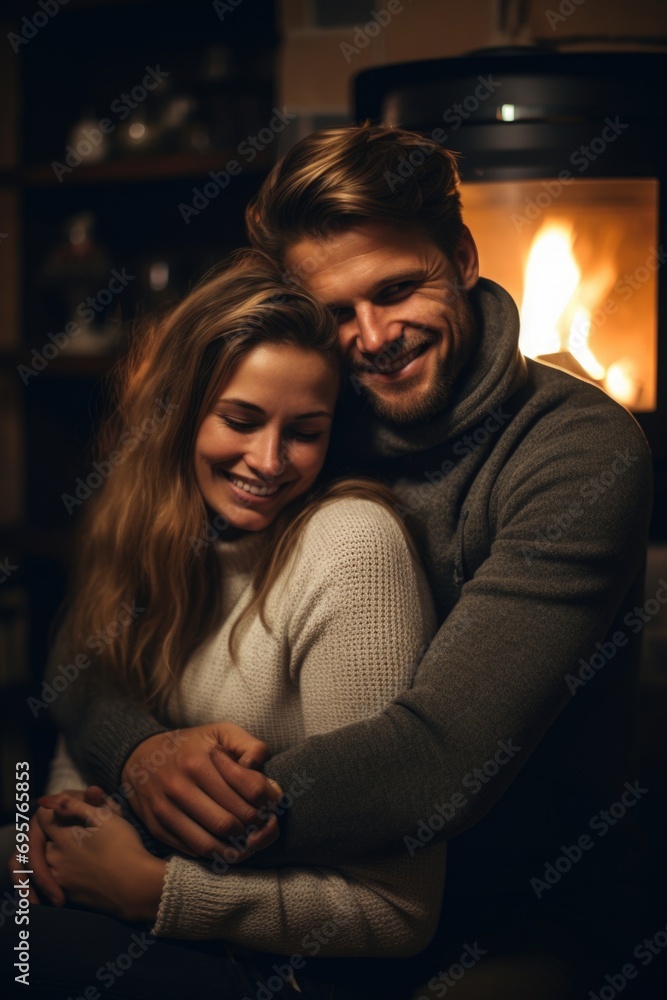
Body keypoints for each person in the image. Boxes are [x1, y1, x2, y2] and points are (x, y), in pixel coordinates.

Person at [23, 123, 653, 997]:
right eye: (335, 312)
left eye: (397, 289)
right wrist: (140, 755)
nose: (373, 337)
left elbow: (436, 765)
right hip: (289, 884)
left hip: (515, 908)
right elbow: (87, 639)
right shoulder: (317, 412)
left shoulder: (574, 448)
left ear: (464, 257)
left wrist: (148, 828)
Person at [3, 248, 443, 998]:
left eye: (304, 431)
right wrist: (38, 834)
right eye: (240, 420)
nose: (268, 462)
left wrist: (155, 890)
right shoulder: (144, 532)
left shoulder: (350, 547)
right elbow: (80, 753)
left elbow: (397, 911)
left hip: (281, 969)